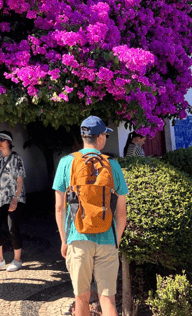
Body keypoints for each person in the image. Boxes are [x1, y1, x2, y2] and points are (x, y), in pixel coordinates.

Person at [53, 116, 128, 316]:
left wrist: (64, 241)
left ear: (83, 136)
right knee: (107, 299)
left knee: (81, 298)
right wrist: (116, 240)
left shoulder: (66, 163)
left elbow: (60, 208)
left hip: (77, 239)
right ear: (101, 138)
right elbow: (121, 213)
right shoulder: (113, 165)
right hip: (107, 238)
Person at [0, 130, 26, 272]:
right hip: (0, 199)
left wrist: (15, 198)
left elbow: (20, 180)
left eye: (1, 140)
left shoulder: (16, 159)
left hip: (14, 198)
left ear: (9, 142)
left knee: (12, 228)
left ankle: (17, 260)